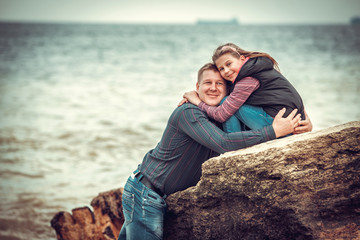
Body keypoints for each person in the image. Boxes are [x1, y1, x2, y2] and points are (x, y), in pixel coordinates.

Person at [118, 63, 310, 240]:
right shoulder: (188, 113)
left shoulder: (225, 117)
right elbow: (224, 143)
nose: (213, 87)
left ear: (228, 90)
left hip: (162, 198)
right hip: (145, 195)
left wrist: (303, 124)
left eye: (219, 83)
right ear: (197, 87)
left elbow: (263, 120)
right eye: (207, 83)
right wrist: (273, 131)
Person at [182, 43, 308, 134]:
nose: (226, 71)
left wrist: (197, 101)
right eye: (221, 68)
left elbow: (221, 115)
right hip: (286, 121)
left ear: (242, 59)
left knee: (225, 102)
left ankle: (234, 145)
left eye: (229, 64)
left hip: (282, 125)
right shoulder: (256, 69)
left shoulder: (247, 80)